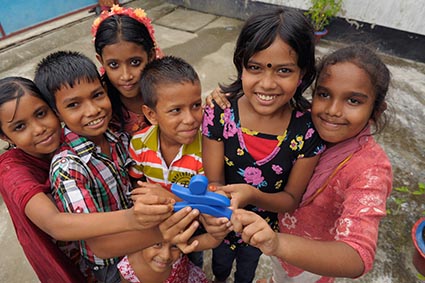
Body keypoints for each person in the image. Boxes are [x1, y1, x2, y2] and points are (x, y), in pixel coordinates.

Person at [0, 76, 204, 283]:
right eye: (19, 127)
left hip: (131, 243)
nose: (38, 129)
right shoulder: (15, 172)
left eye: (41, 114)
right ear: (4, 137)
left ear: (53, 111)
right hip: (98, 255)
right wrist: (134, 220)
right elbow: (55, 224)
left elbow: (133, 83)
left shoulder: (105, 135)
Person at [231, 45, 393, 283]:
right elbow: (262, 100)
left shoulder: (370, 170)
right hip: (279, 240)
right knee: (280, 275)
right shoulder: (304, 123)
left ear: (376, 111)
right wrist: (226, 98)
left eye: (353, 101)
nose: (333, 111)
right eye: (324, 94)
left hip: (314, 264)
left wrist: (276, 243)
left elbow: (357, 255)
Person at [201, 7, 325, 283]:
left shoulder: (307, 131)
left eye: (283, 70)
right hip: (221, 223)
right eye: (255, 68)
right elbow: (214, 181)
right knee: (219, 268)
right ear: (240, 65)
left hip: (263, 232)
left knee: (247, 271)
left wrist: (252, 195)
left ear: (302, 73)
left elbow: (290, 200)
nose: (267, 84)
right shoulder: (220, 113)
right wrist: (218, 206)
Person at [33, 50, 164, 283]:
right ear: (57, 113)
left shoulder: (118, 138)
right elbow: (101, 246)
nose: (93, 110)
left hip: (143, 239)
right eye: (74, 105)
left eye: (97, 95)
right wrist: (168, 229)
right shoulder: (68, 168)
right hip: (113, 266)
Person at [128, 55, 229, 269]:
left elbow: (210, 202)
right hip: (157, 228)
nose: (191, 119)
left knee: (192, 263)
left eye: (195, 105)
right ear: (151, 114)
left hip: (195, 226)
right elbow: (137, 183)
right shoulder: (138, 144)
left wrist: (169, 198)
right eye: (176, 110)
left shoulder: (207, 150)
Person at [92, 4, 163, 136]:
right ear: (101, 61)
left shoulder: (168, 89)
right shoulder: (99, 104)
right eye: (113, 64)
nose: (126, 76)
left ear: (151, 56)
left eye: (135, 62)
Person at [117, 240, 209, 283]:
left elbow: (210, 240)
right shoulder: (126, 269)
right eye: (157, 244)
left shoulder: (182, 250)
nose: (166, 256)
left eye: (174, 246)